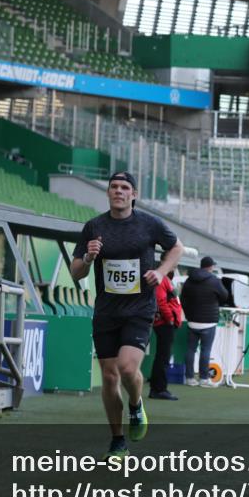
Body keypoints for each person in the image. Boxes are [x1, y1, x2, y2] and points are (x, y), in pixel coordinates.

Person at [71, 171, 183, 460]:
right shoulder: (93, 227)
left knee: (126, 368)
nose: (119, 191)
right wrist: (88, 258)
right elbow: (76, 271)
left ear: (133, 195)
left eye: (125, 188)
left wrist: (160, 272)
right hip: (106, 311)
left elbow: (176, 248)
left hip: (139, 309)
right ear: (108, 193)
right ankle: (117, 439)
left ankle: (136, 404)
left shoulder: (149, 224)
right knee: (109, 377)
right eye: (114, 187)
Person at [179, 256, 230, 388]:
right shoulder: (214, 280)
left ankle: (189, 378)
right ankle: (203, 379)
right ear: (211, 267)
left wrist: (189, 314)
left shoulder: (189, 280)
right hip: (209, 321)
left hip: (192, 321)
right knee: (205, 350)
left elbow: (182, 298)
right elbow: (224, 295)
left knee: (190, 349)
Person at [149, 270, 181, 401]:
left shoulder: (166, 279)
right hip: (164, 323)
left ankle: (157, 388)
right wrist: (170, 319)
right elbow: (161, 302)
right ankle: (159, 389)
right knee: (163, 357)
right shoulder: (162, 279)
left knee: (162, 356)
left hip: (165, 322)